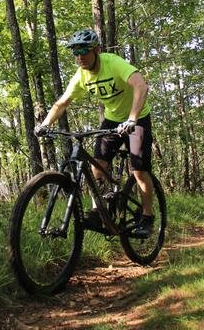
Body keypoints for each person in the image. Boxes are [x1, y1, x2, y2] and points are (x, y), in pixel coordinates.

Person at [35, 28, 154, 237]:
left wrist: (133, 118)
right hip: (112, 121)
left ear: (96, 50)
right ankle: (99, 211)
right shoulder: (81, 76)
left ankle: (147, 217)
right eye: (75, 53)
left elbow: (140, 86)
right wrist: (44, 125)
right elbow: (62, 103)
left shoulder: (113, 63)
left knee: (139, 170)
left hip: (137, 118)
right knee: (97, 168)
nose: (80, 57)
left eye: (84, 51)